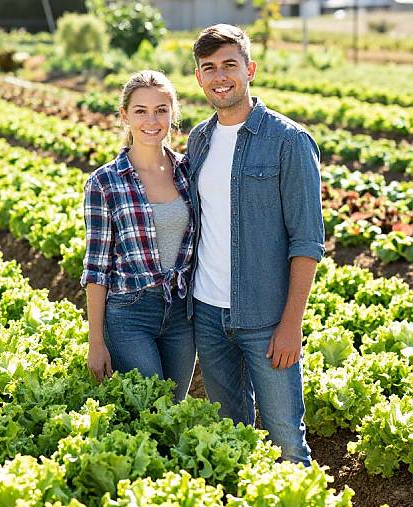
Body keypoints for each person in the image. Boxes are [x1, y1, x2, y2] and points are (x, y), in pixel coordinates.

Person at [186, 24, 325, 464]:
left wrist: (291, 324)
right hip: (207, 313)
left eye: (229, 64)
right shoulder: (199, 140)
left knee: (286, 438)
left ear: (250, 69)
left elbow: (307, 241)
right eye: (209, 68)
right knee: (230, 437)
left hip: (266, 318)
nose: (219, 76)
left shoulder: (289, 142)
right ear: (199, 78)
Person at [81, 70, 196, 401]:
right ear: (125, 116)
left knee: (174, 409)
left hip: (181, 314)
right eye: (141, 111)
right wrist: (96, 341)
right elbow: (96, 267)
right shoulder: (104, 183)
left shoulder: (188, 171)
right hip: (129, 313)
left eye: (161, 109)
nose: (152, 120)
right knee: (152, 408)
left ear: (173, 114)